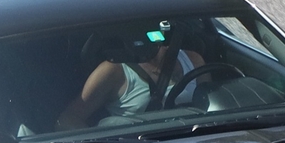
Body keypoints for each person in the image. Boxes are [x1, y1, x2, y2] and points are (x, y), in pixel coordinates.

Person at [57, 24, 203, 129]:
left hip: (191, 141)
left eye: (153, 30)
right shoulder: (113, 71)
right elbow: (68, 119)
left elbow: (213, 105)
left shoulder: (193, 60)